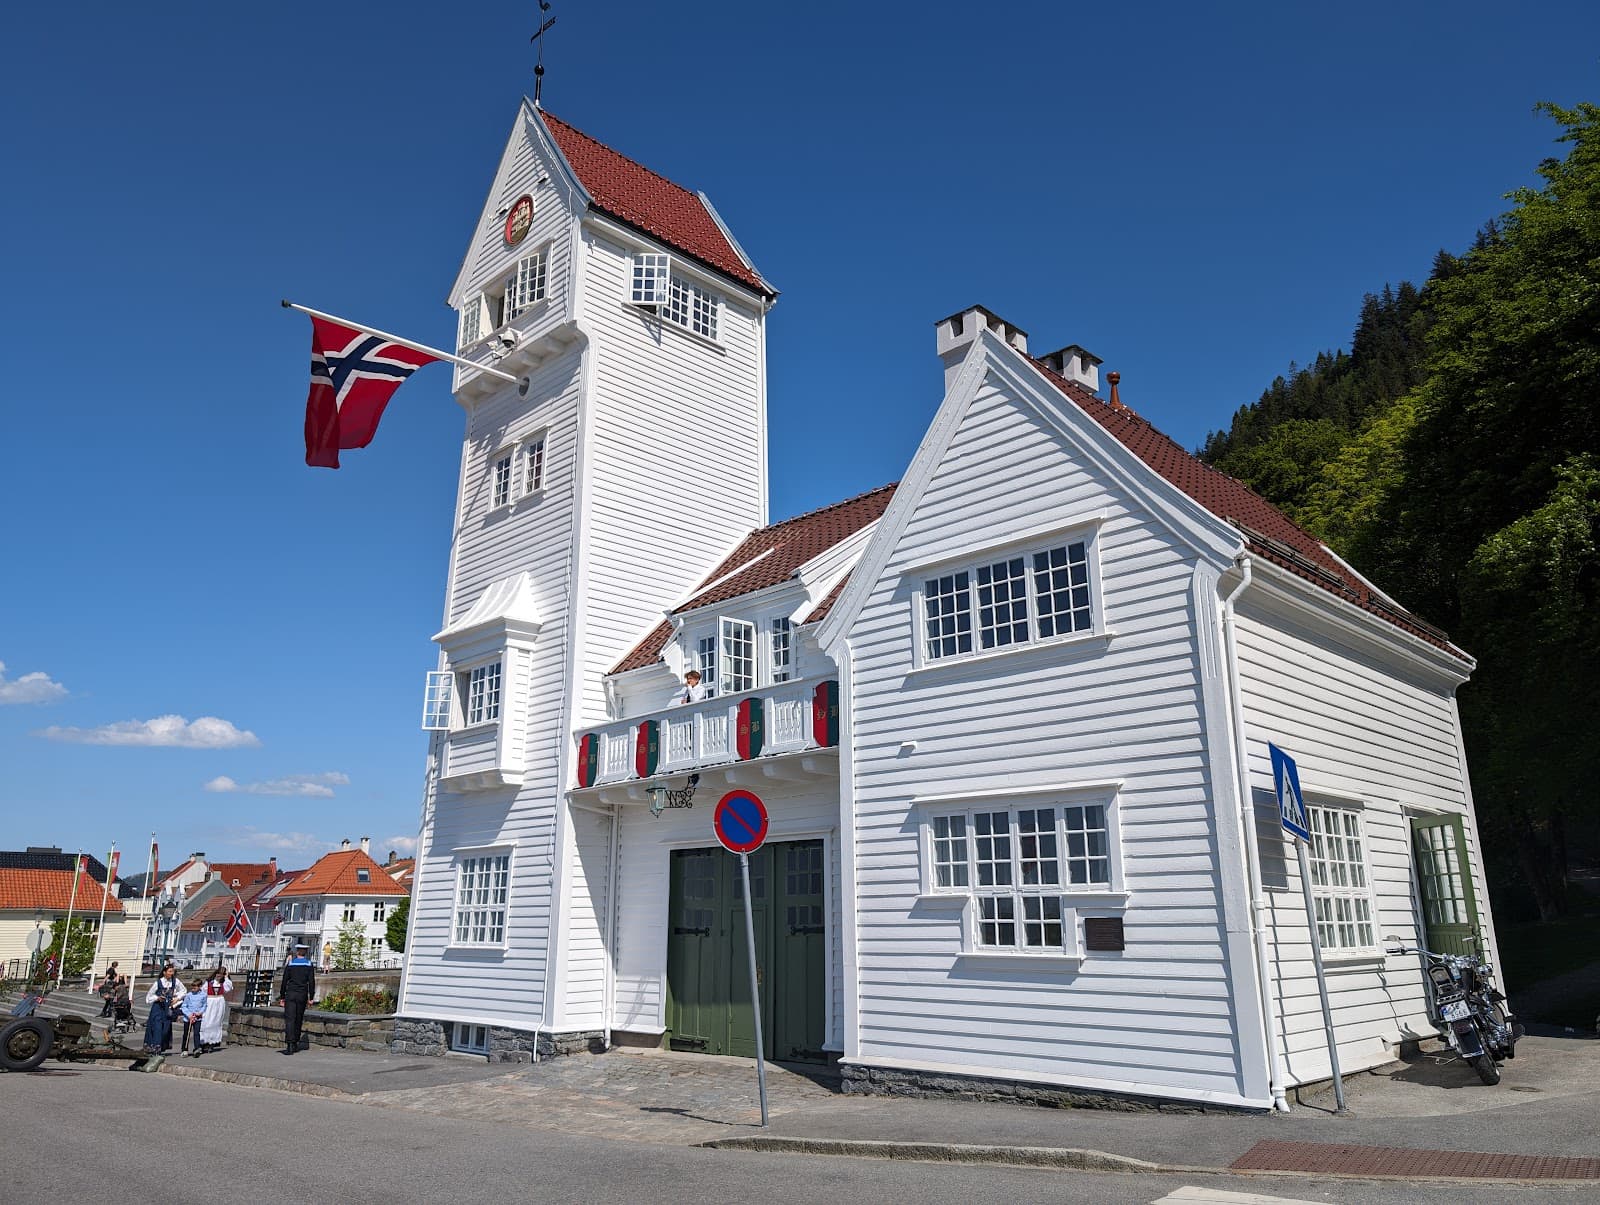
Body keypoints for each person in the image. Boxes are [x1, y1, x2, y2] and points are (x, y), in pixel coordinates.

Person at [278, 943, 317, 1056]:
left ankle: (290, 1044)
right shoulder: (309, 965)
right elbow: (311, 982)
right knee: (298, 1019)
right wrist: (311, 997)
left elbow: (284, 981)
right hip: (302, 994)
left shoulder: (290, 964)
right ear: (305, 952)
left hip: (291, 993)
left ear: (297, 952)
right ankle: (295, 1041)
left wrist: (282, 996)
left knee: (290, 1019)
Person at [142, 963, 182, 1053]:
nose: (171, 973)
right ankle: (155, 1047)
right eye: (170, 972)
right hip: (157, 1008)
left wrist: (177, 999)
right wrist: (157, 998)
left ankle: (162, 1046)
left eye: (173, 972)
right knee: (157, 1028)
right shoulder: (158, 983)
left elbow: (183, 991)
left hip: (167, 1009)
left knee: (165, 1029)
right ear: (164, 972)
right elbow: (148, 997)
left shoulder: (175, 981)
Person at [199, 966, 232, 1052]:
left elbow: (228, 988)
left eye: (222, 974)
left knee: (216, 1022)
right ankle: (204, 1042)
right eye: (218, 974)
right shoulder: (209, 983)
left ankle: (212, 1043)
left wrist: (226, 977)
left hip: (219, 1003)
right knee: (206, 1022)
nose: (219, 976)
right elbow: (202, 992)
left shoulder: (223, 984)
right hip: (210, 1002)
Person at [179, 979, 208, 1056]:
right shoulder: (188, 995)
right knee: (186, 1034)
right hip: (188, 1018)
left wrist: (200, 1012)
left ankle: (197, 1048)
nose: (193, 989)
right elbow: (184, 1006)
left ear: (200, 987)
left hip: (198, 1017)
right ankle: (184, 1049)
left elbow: (204, 1005)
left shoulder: (204, 995)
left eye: (195, 987)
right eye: (192, 987)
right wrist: (189, 1015)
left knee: (196, 1033)